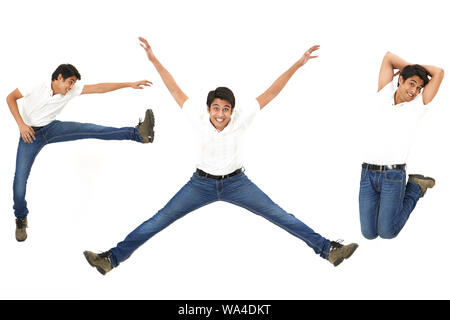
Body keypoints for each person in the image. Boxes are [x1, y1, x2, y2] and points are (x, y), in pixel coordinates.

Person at [83, 37, 358, 275]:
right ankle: (111, 259)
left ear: (232, 110)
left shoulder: (241, 117)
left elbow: (272, 91)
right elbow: (174, 88)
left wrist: (298, 64)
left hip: (237, 184)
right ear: (208, 108)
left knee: (280, 215)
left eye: (226, 109)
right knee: (159, 219)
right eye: (216, 108)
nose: (220, 114)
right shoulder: (197, 116)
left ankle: (328, 250)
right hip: (199, 184)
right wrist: (154, 60)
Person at [7, 63, 156, 242]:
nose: (71, 87)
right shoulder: (36, 85)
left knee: (92, 129)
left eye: (73, 84)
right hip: (29, 135)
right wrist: (21, 125)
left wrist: (129, 84)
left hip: (52, 128)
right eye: (69, 82)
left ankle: (138, 134)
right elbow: (11, 98)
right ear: (59, 77)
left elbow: (100, 88)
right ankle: (21, 218)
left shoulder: (71, 90)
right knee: (19, 180)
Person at [359, 52, 444, 240]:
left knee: (387, 233)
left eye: (420, 87)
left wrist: (415, 72)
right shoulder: (383, 94)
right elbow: (388, 57)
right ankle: (390, 208)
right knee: (369, 234)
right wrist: (413, 69)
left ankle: (414, 187)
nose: (414, 90)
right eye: (411, 83)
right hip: (367, 174)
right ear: (400, 80)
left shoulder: (418, 105)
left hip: (393, 176)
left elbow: (439, 73)